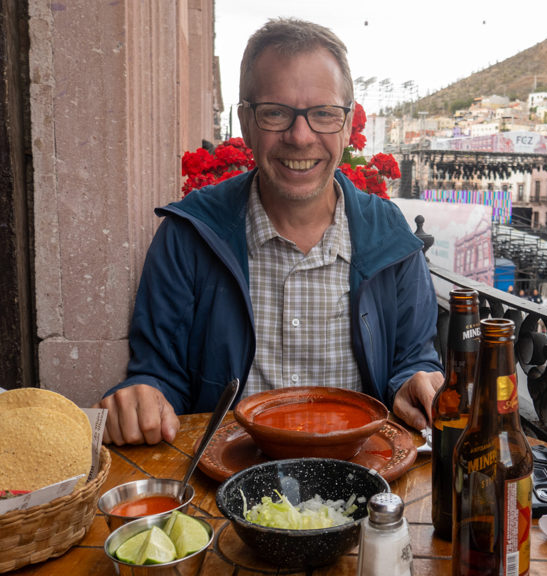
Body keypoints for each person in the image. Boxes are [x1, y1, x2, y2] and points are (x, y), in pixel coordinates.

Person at [95, 18, 443, 445]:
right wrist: (143, 399)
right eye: (275, 113)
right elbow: (158, 373)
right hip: (222, 491)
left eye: (323, 114)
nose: (300, 136)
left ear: (347, 123)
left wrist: (411, 383)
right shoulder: (188, 237)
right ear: (245, 122)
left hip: (362, 482)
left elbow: (413, 358)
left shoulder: (390, 236)